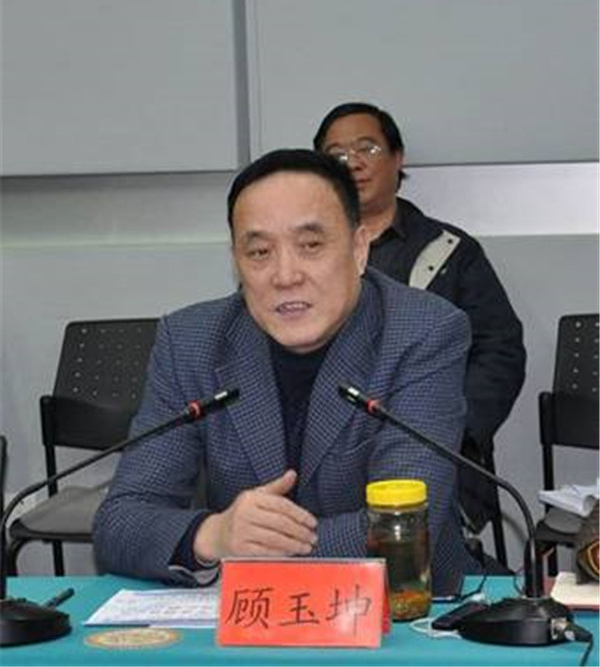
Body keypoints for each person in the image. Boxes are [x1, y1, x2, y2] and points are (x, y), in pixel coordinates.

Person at [93, 148, 478, 594]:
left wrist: (256, 549)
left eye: (310, 246)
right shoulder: (191, 342)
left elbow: (403, 526)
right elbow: (121, 522)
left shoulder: (422, 331)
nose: (285, 275)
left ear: (358, 249)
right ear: (237, 261)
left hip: (407, 607)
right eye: (259, 252)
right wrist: (215, 535)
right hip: (250, 615)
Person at [313, 103, 526, 537]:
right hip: (324, 453)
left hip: (434, 447)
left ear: (398, 158)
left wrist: (449, 424)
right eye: (336, 154)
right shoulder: (302, 257)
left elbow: (499, 350)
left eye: (367, 148)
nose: (353, 163)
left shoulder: (450, 252)